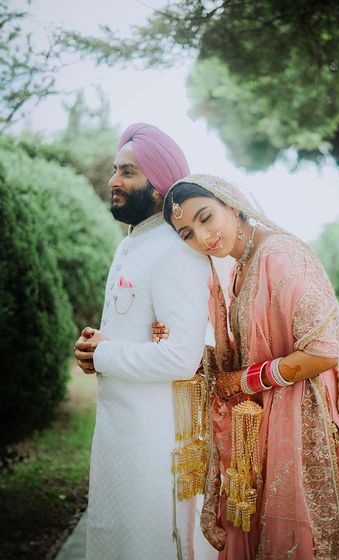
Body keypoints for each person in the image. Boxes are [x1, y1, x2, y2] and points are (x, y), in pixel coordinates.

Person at [153, 174, 339, 559]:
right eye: (187, 233)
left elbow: (323, 352)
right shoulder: (242, 266)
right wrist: (177, 343)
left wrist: (247, 380)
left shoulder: (280, 255)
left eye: (206, 218)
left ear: (232, 205)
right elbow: (251, 351)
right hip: (274, 422)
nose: (203, 238)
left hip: (311, 428)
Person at [73, 125, 212, 560]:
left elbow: (181, 357)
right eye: (115, 170)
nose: (114, 181)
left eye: (127, 172)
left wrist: (106, 354)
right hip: (120, 431)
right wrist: (97, 349)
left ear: (158, 187)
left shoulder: (176, 250)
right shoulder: (131, 246)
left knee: (147, 542)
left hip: (156, 440)